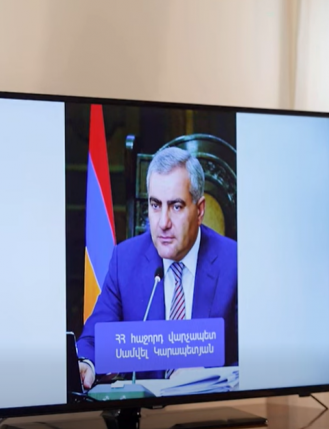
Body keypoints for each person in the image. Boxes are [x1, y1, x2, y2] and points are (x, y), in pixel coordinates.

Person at [77, 146, 238, 389]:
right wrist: (87, 364)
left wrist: (207, 374)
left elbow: (256, 358)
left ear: (199, 211)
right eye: (155, 205)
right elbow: (93, 340)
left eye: (176, 206)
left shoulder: (234, 263)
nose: (163, 223)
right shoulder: (126, 260)